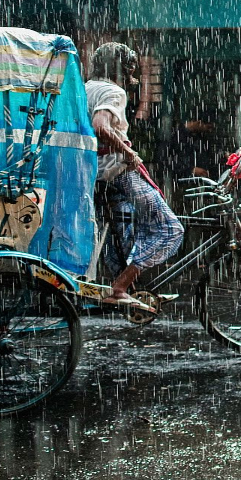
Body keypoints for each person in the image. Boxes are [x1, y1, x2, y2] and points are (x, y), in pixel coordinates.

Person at [87, 42, 183, 308]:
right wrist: (128, 154)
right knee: (169, 229)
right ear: (121, 67)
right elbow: (100, 126)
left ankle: (133, 290)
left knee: (126, 231)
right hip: (119, 172)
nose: (133, 72)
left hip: (95, 175)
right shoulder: (113, 91)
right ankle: (118, 288)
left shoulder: (85, 88)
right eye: (131, 66)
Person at [164, 108, 221, 182]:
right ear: (199, 123)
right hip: (180, 181)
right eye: (208, 127)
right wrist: (191, 169)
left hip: (199, 180)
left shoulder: (201, 136)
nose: (209, 130)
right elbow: (166, 160)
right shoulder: (173, 135)